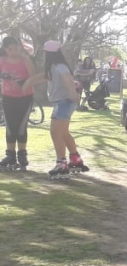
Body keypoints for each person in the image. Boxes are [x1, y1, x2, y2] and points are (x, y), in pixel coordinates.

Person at [25, 41, 89, 178]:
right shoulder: (55, 67)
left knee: (55, 132)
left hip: (64, 102)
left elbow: (67, 80)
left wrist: (73, 94)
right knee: (63, 133)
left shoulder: (60, 67)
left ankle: (61, 163)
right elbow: (44, 76)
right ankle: (75, 159)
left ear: (49, 54)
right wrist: (28, 81)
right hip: (62, 102)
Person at [0, 36, 36, 171]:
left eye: (16, 48)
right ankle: (10, 155)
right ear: (5, 49)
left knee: (21, 127)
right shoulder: (2, 61)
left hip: (24, 97)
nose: (14, 52)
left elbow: (33, 76)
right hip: (8, 97)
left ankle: (22, 154)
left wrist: (21, 84)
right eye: (11, 49)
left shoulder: (25, 60)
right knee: (10, 127)